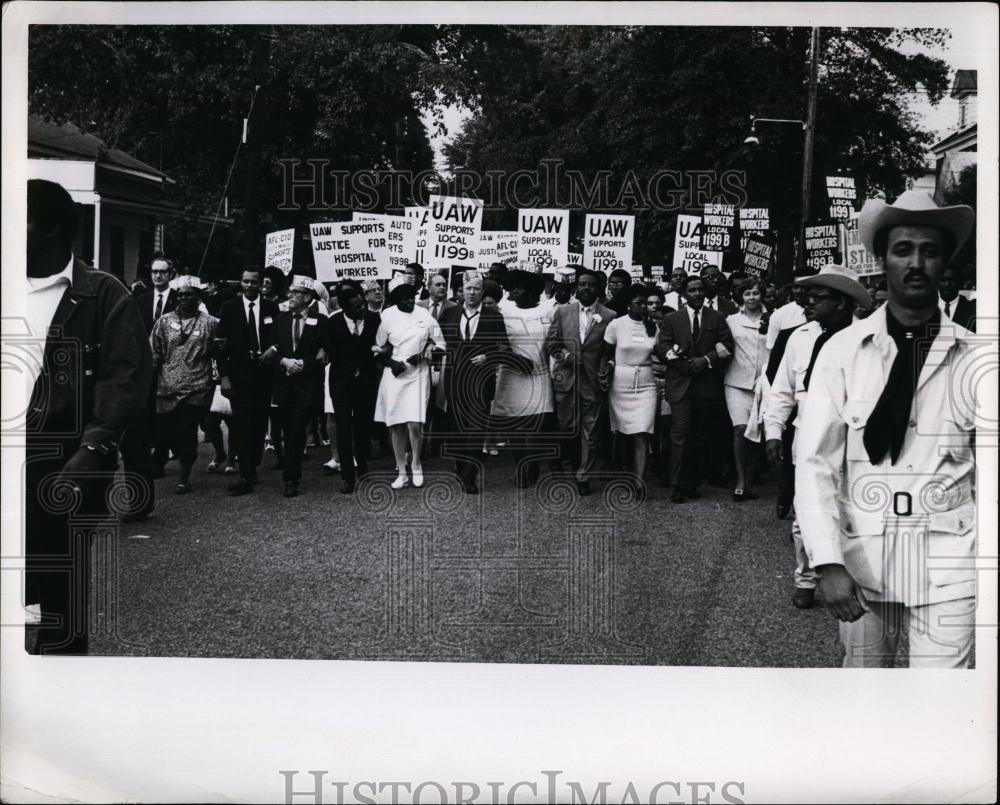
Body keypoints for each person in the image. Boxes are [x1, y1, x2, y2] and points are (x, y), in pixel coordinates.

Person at [797, 190, 978, 667]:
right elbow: (814, 461)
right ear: (882, 260)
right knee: (866, 706)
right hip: (863, 561)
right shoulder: (843, 352)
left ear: (945, 263)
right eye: (903, 250)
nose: (916, 263)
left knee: (938, 711)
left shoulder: (978, 358)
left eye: (930, 251)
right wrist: (828, 561)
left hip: (949, 562)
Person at [24, 179, 152, 654]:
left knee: (60, 598)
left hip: (65, 461)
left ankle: (57, 691)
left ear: (54, 229)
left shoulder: (103, 294)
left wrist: (94, 448)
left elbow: (126, 376)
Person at [763, 264, 869, 609]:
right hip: (806, 436)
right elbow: (781, 389)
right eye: (807, 297)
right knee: (804, 510)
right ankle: (806, 578)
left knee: (851, 510)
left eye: (818, 298)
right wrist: (773, 431)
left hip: (856, 441)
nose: (808, 303)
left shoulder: (868, 340)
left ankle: (856, 576)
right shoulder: (800, 336)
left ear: (842, 303)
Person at [655, 275, 734, 503]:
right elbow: (663, 348)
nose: (697, 294)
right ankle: (678, 484)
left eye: (700, 289)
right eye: (692, 290)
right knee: (680, 434)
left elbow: (727, 345)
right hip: (680, 384)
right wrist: (685, 365)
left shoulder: (717, 317)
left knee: (699, 436)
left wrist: (706, 361)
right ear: (684, 295)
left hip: (706, 386)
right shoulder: (671, 319)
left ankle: (692, 481)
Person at [544, 267, 616, 495]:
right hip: (567, 380)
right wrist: (565, 356)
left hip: (593, 382)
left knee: (591, 430)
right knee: (567, 426)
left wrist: (607, 367)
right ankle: (573, 461)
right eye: (582, 284)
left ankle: (584, 475)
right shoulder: (563, 312)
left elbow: (609, 351)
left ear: (599, 288)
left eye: (591, 284)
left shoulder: (609, 316)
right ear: (577, 287)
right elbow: (551, 344)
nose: (586, 288)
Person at [438, 272, 510, 494]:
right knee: (457, 427)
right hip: (455, 379)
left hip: (481, 381)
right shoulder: (449, 313)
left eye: (476, 289)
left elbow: (505, 347)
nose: (471, 293)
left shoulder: (493, 316)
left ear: (482, 291)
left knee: (476, 429)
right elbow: (437, 341)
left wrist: (488, 357)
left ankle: (470, 475)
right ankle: (460, 466)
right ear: (462, 290)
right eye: (468, 288)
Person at [148, 275, 218, 494]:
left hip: (197, 386)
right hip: (166, 386)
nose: (184, 298)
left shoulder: (210, 322)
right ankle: (163, 460)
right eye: (180, 295)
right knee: (164, 433)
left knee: (187, 431)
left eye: (189, 294)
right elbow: (154, 352)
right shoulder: (164, 321)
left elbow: (217, 353)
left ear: (198, 297)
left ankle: (184, 475)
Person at [373, 277, 443, 489]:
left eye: (411, 297)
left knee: (415, 422)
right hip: (394, 375)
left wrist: (424, 355)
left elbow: (440, 344)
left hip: (418, 374)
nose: (409, 302)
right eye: (404, 299)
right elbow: (377, 348)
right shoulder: (386, 316)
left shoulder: (425, 315)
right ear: (395, 300)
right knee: (396, 424)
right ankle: (401, 470)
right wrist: (392, 363)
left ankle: (416, 464)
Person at [216, 267, 279, 495]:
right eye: (246, 281)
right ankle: (245, 473)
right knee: (242, 424)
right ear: (240, 283)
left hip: (264, 374)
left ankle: (253, 464)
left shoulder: (271, 308)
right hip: (238, 375)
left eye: (254, 282)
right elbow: (220, 345)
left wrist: (273, 349)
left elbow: (278, 336)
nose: (250, 286)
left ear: (261, 284)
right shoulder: (229, 308)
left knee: (260, 423)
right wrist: (224, 377)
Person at [491, 266, 554, 488]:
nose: (513, 293)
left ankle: (532, 462)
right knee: (515, 425)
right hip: (513, 373)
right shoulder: (503, 310)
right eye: (512, 289)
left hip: (540, 372)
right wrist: (513, 359)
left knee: (537, 423)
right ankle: (520, 466)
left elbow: (554, 340)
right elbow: (499, 342)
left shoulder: (548, 311)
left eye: (518, 289)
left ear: (531, 291)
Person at [267, 276, 330, 497]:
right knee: (286, 429)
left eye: (294, 293)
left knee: (296, 431)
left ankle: (291, 478)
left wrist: (305, 363)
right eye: (290, 292)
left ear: (307, 297)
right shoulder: (280, 320)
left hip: (307, 386)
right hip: (284, 384)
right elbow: (271, 350)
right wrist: (284, 361)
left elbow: (326, 353)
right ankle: (291, 469)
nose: (290, 296)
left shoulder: (320, 321)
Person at [599, 284, 659, 487]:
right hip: (621, 383)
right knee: (624, 432)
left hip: (646, 383)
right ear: (628, 305)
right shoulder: (616, 325)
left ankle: (640, 480)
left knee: (643, 431)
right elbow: (606, 354)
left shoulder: (653, 327)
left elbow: (661, 353)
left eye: (646, 303)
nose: (644, 307)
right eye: (639, 303)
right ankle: (627, 471)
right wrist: (605, 370)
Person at [327, 284, 381, 494]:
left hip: (365, 383)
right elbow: (329, 348)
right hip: (341, 384)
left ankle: (363, 463)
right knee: (343, 428)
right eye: (356, 308)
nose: (361, 310)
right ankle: (347, 475)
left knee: (362, 426)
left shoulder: (374, 319)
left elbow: (382, 344)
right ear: (344, 308)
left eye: (362, 305)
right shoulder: (333, 323)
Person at [723, 279, 771, 501]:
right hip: (737, 382)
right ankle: (741, 481)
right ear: (740, 297)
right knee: (740, 429)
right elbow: (722, 341)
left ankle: (751, 480)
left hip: (765, 383)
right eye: (747, 294)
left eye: (755, 293)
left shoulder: (773, 318)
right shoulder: (732, 320)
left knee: (757, 433)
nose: (752, 298)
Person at [766, 281, 807, 349]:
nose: (799, 291)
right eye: (796, 287)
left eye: (804, 287)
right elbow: (772, 350)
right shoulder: (779, 315)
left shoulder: (823, 313)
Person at [938, 265, 976, 331]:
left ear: (960, 283)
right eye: (943, 280)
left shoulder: (973, 309)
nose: (947, 284)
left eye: (952, 280)